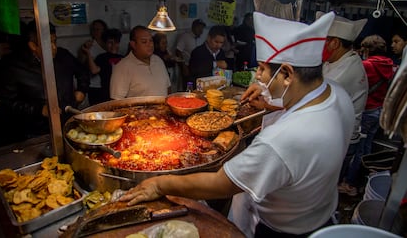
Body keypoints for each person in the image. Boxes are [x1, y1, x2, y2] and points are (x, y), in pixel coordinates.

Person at [119, 12, 356, 237]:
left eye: (262, 69)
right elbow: (300, 103)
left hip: (284, 231)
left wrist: (160, 184)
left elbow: (220, 183)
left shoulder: (282, 139)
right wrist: (269, 100)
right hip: (320, 211)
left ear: (287, 73)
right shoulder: (337, 93)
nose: (258, 77)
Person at [0, 21, 89, 146]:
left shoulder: (63, 56)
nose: (54, 47)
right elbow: (7, 103)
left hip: (68, 122)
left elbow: (82, 72)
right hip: (36, 132)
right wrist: (38, 109)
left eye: (54, 41)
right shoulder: (13, 67)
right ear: (33, 45)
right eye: (48, 43)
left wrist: (81, 90)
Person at [316, 12, 369, 193]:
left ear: (335, 43)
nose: (319, 45)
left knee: (324, 186)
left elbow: (313, 97)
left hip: (340, 139)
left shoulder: (345, 72)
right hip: (332, 132)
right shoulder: (337, 60)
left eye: (323, 40)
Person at [341, 35, 394, 195]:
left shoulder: (366, 66)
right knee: (366, 147)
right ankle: (357, 180)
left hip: (366, 110)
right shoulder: (389, 65)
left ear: (368, 50)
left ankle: (350, 184)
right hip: (378, 110)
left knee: (356, 148)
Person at [110, 25, 170, 99]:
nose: (150, 45)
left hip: (162, 109)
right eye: (144, 42)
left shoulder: (158, 60)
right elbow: (116, 101)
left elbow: (168, 88)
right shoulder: (122, 67)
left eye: (151, 41)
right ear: (133, 44)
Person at [84, 28, 123, 103]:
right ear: (105, 44)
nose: (113, 45)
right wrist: (88, 53)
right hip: (106, 95)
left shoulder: (123, 58)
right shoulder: (102, 57)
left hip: (122, 94)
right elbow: (94, 70)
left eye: (116, 42)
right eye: (110, 43)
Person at [78, 19, 108, 105]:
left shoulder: (109, 44)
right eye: (94, 29)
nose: (96, 32)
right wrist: (85, 51)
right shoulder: (89, 45)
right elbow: (81, 62)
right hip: (94, 85)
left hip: (107, 84)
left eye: (98, 29)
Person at [175, 19, 206, 90]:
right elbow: (178, 51)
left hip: (199, 67)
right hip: (188, 66)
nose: (201, 30)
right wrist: (183, 66)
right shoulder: (185, 36)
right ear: (193, 27)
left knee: (198, 87)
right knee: (188, 86)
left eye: (202, 28)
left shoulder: (201, 38)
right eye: (199, 28)